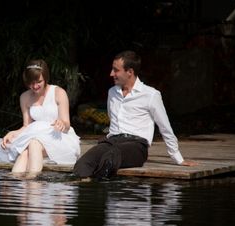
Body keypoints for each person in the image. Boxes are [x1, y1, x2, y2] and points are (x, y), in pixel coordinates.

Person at [73, 50, 197, 179]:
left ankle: (101, 188)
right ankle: (79, 188)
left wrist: (178, 158)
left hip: (136, 146)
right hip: (112, 141)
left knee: (111, 157)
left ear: (130, 72)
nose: (111, 74)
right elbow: (112, 119)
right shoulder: (112, 92)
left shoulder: (151, 95)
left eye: (116, 70)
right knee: (83, 162)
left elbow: (165, 128)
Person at [0, 59, 80, 174]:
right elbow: (26, 126)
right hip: (34, 135)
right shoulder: (24, 97)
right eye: (31, 83)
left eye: (39, 81)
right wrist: (13, 133)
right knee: (27, 149)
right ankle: (20, 183)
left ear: (45, 78)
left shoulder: (59, 92)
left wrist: (61, 123)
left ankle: (28, 182)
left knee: (32, 144)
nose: (34, 86)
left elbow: (66, 123)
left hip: (58, 136)